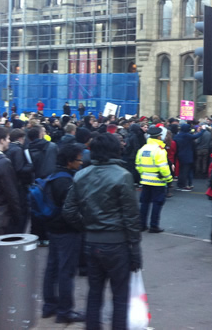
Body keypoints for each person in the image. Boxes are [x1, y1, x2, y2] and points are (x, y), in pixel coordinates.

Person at [63, 133, 142, 330]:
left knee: (94, 292)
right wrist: (135, 248)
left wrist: (87, 226)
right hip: (117, 243)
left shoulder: (81, 174)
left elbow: (69, 210)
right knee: (120, 295)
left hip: (91, 241)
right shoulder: (123, 176)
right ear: (115, 150)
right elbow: (131, 217)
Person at [42, 143, 85, 324]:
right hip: (66, 230)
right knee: (66, 271)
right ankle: (65, 311)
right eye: (78, 160)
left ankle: (49, 306)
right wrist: (81, 225)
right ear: (69, 161)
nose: (81, 163)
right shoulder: (66, 181)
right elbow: (70, 210)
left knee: (51, 268)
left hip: (52, 227)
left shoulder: (53, 176)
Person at [136, 126, 173, 233]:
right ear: (159, 137)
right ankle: (154, 226)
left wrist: (144, 174)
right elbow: (164, 167)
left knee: (144, 203)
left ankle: (142, 225)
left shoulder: (143, 149)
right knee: (157, 203)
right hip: (158, 181)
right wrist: (169, 179)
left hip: (145, 180)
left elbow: (138, 165)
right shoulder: (159, 150)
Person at [0, 127, 21, 236]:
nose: (9, 141)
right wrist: (17, 214)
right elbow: (11, 191)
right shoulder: (3, 163)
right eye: (8, 138)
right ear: (2, 140)